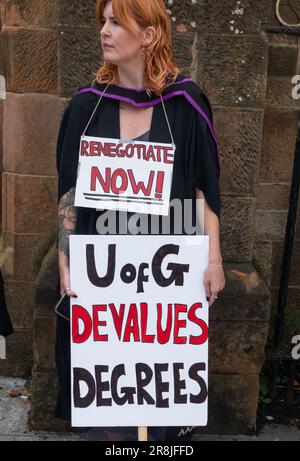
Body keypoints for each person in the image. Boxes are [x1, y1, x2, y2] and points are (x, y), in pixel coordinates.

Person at [55, 0, 225, 442]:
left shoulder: (186, 105)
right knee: (105, 417)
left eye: (117, 23)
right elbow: (69, 195)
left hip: (164, 287)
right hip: (104, 287)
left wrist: (215, 259)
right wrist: (64, 261)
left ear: (148, 35)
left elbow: (205, 190)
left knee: (162, 417)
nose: (104, 32)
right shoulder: (86, 108)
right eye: (103, 22)